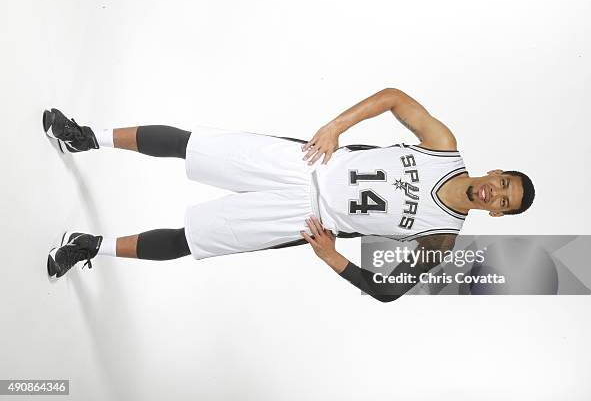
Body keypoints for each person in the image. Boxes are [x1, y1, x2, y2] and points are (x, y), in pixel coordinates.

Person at [44, 88, 535, 302]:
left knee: (191, 240)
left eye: (503, 202)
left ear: (494, 214)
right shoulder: (444, 148)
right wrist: (336, 126)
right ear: (496, 171)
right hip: (308, 160)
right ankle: (85, 136)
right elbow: (394, 98)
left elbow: (389, 290)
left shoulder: (441, 239)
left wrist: (332, 258)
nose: (496, 194)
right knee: (192, 144)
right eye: (505, 184)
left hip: (306, 217)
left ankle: (91, 246)